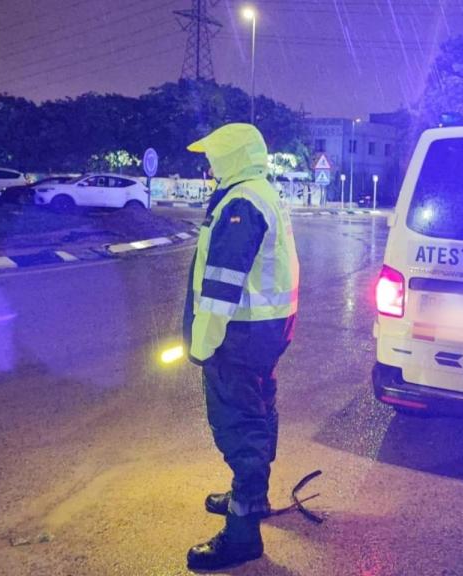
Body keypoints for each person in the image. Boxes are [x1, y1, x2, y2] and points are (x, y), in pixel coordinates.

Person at [182, 123, 300, 571]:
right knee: (259, 409)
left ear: (233, 154)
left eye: (214, 154)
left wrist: (204, 342)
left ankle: (242, 533)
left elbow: (220, 286)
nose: (209, 163)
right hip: (268, 329)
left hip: (241, 332)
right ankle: (252, 494)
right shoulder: (261, 192)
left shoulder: (241, 201)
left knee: (238, 422)